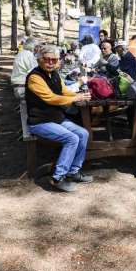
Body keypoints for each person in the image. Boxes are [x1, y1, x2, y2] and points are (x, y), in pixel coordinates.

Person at [25, 45, 94, 192]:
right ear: (39, 60)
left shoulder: (54, 74)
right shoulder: (34, 77)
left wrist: (80, 95)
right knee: (72, 138)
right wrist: (76, 98)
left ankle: (73, 171)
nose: (50, 62)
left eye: (54, 60)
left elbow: (64, 91)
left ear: (57, 61)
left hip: (56, 119)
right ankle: (57, 178)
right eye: (47, 59)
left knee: (83, 133)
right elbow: (51, 98)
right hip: (40, 122)